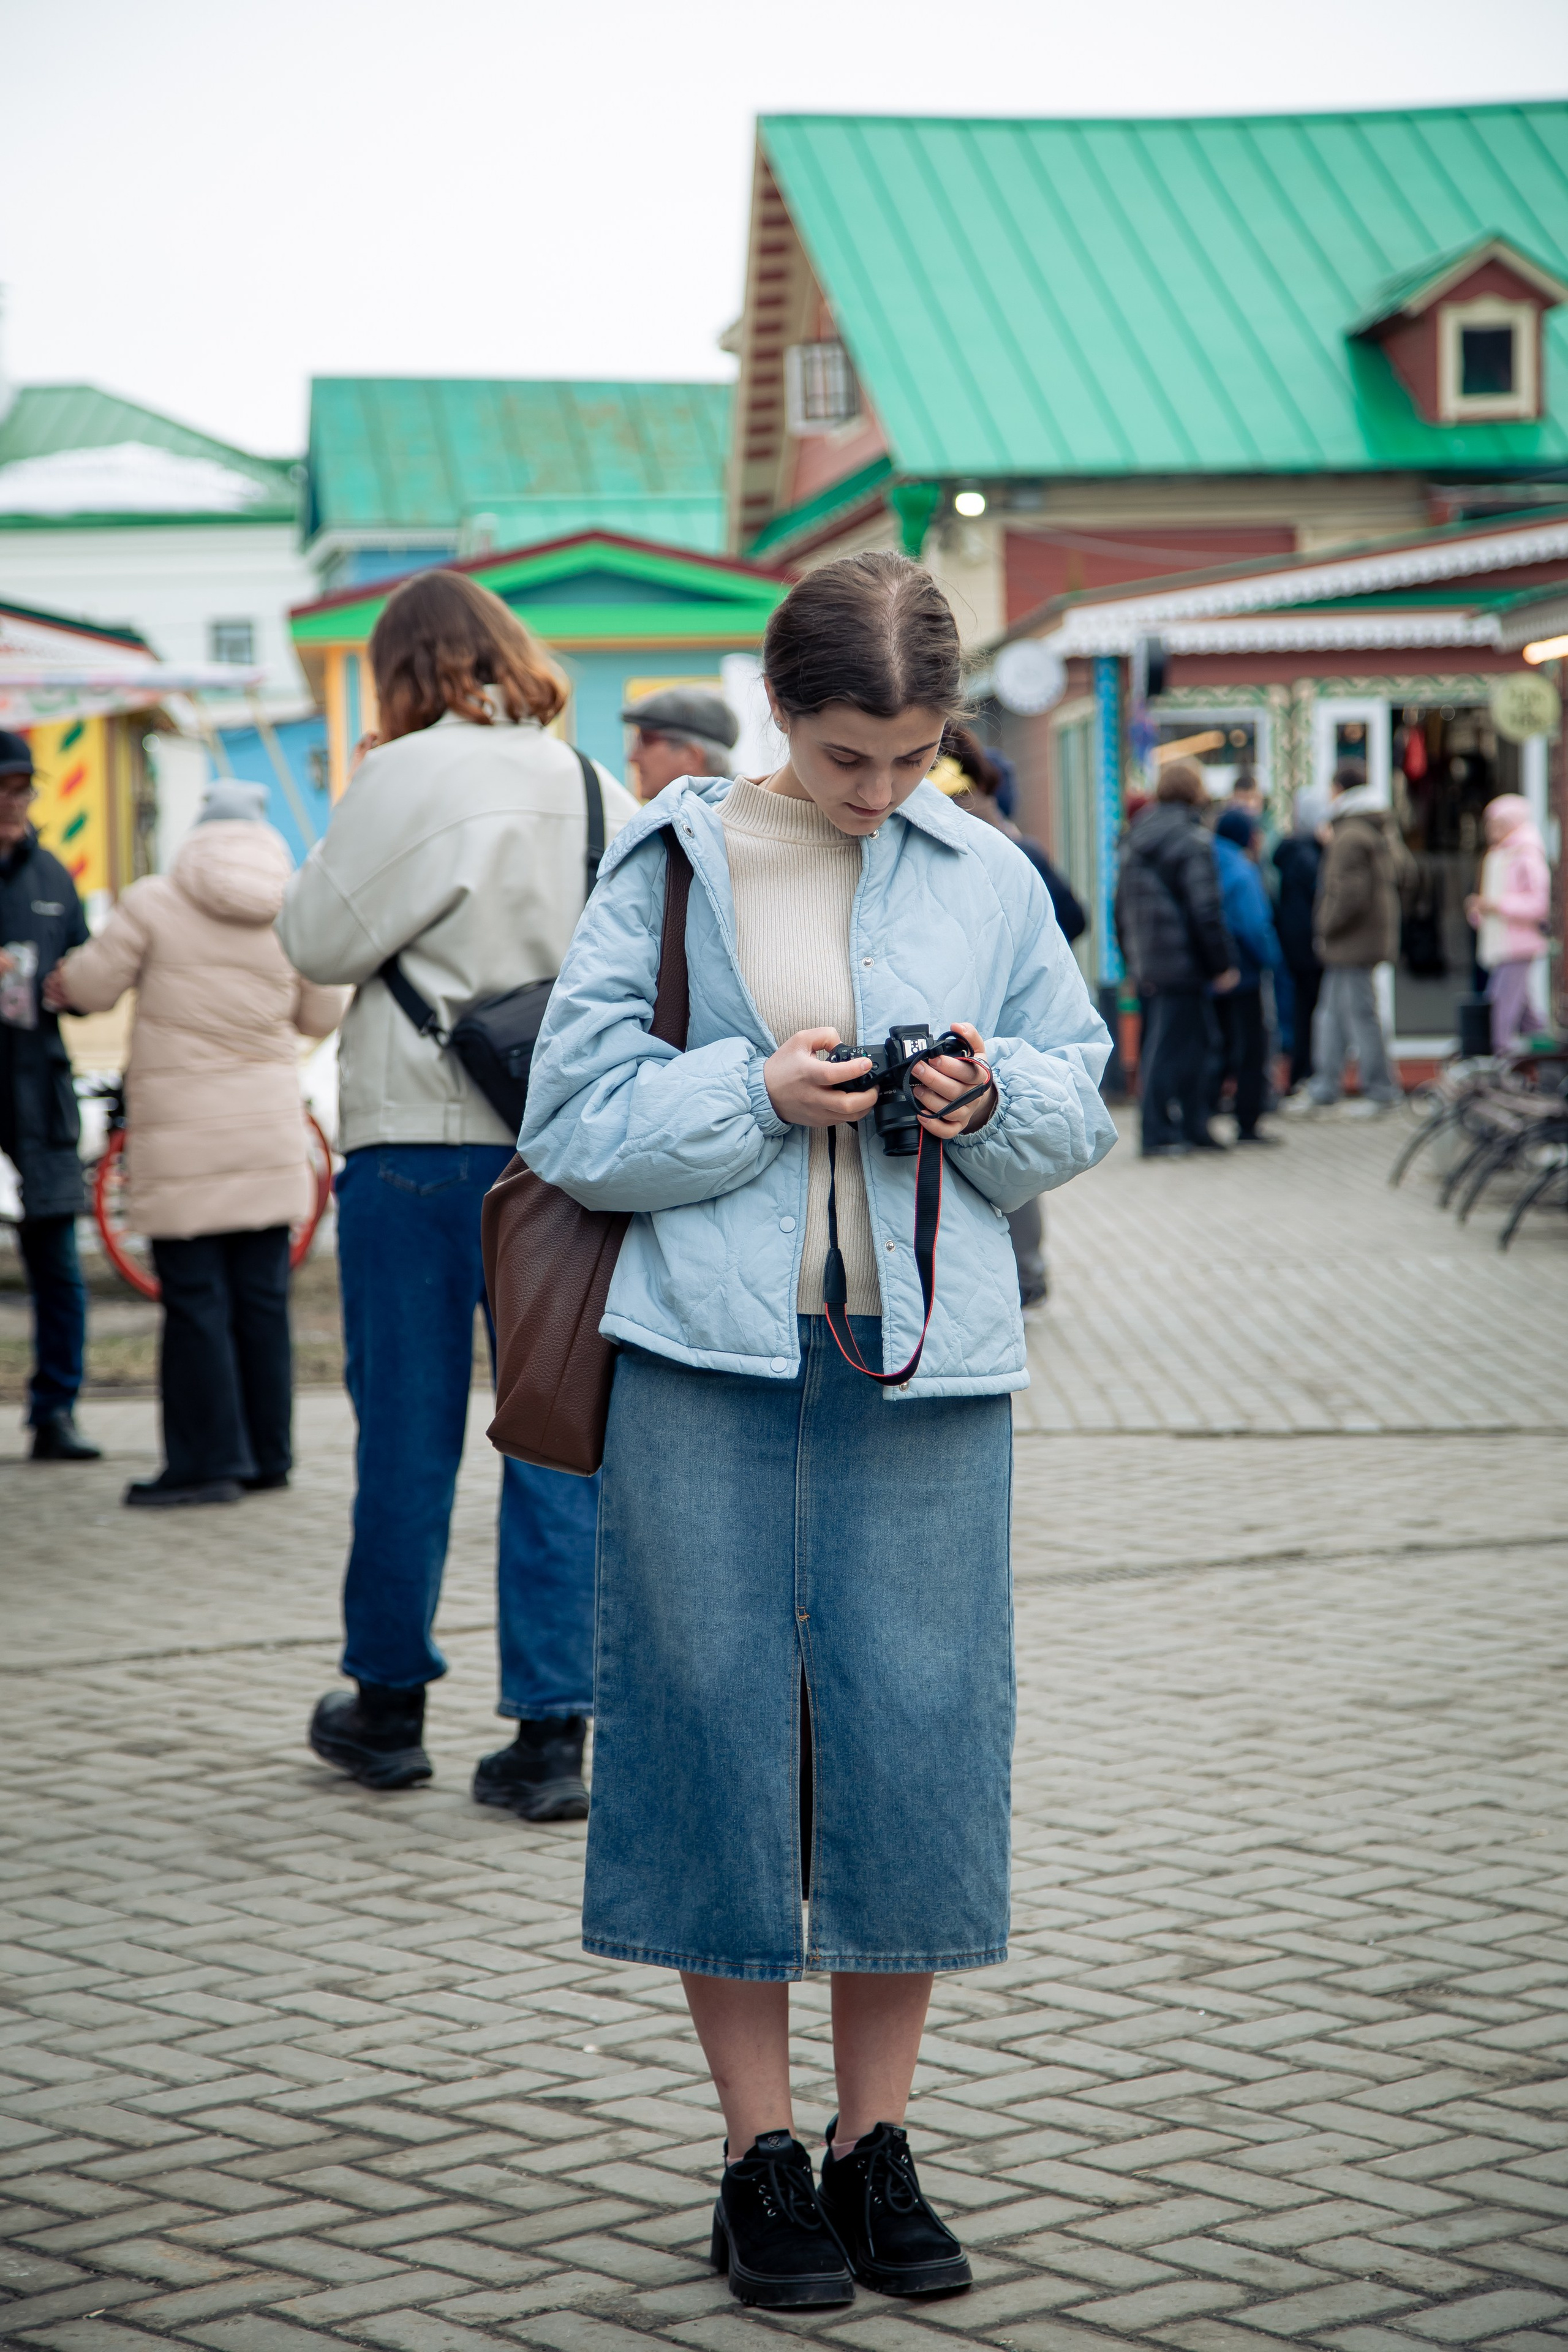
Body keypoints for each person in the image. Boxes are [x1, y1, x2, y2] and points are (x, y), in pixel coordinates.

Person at [518, 551, 1115, 2312]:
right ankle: (754, 2153)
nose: (880, 793)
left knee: (915, 1730)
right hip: (704, 1360)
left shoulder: (988, 870)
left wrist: (993, 1092)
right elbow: (572, 1116)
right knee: (707, 1729)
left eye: (914, 757)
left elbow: (1078, 1090)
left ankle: (876, 2144)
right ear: (785, 714)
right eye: (852, 757)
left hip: (922, 1366)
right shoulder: (674, 859)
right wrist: (756, 1092)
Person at [277, 572, 638, 1819]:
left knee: (408, 1432)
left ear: (398, 671)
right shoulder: (595, 783)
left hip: (413, 1150)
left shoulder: (399, 775)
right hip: (558, 1151)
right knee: (555, 1434)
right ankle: (551, 1737)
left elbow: (316, 944)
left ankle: (385, 1708)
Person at [48, 782, 347, 1504]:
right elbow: (321, 1011)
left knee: (195, 1300)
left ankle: (206, 1464)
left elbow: (89, 988)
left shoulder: (154, 900)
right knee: (262, 1299)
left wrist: (56, 981)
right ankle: (268, 1456)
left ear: (197, 834)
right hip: (268, 1132)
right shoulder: (294, 905)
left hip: (181, 1137)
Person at [930, 722, 1087, 1303]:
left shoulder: (991, 850)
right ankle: (1027, 1271)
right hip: (995, 1027)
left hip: (971, 1026)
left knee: (988, 1128)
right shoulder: (1013, 838)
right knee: (1002, 1132)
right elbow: (1077, 916)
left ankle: (1021, 1273)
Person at [0, 729, 99, 1463]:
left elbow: (86, 972)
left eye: (23, 787)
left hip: (39, 1084)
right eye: (4, 787)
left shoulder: (54, 879)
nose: (15, 800)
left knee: (59, 1261)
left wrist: (75, 986)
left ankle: (55, 1411)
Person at [1114, 764, 1238, 1158]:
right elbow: (1206, 910)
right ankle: (1162, 1133)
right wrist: (1222, 964)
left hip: (1152, 962)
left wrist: (1133, 961)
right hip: (1184, 963)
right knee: (1183, 1047)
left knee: (1175, 1044)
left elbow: (1118, 909)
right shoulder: (1192, 839)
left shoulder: (1136, 839)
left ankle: (1187, 1128)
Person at [1295, 761, 1410, 1115]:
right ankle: (1325, 1086)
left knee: (1358, 1013)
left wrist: (1324, 927)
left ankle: (1380, 1090)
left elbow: (1348, 893)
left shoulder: (1349, 834)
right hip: (1361, 940)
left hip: (1351, 941)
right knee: (1332, 1014)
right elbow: (1407, 874)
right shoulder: (1376, 828)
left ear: (1339, 791)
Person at [1211, 809, 1284, 1144]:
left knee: (1219, 1046)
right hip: (1246, 972)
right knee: (1252, 1049)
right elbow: (1255, 925)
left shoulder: (1206, 860)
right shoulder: (1242, 869)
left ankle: (1204, 1117)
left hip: (1214, 972)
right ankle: (1248, 1123)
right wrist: (1271, 960)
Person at [1465, 794, 1550, 1054]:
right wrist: (1479, 909)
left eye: (1496, 824)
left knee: (1500, 1010)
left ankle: (1497, 1068)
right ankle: (1551, 1069)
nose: (1491, 831)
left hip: (1518, 945)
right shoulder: (1498, 855)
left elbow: (1539, 903)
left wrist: (1496, 905)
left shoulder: (1526, 853)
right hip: (1500, 943)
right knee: (1529, 1019)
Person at [1272, 786, 1327, 1094]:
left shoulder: (1292, 853)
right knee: (1311, 1012)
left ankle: (1301, 1073)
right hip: (1308, 947)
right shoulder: (1309, 856)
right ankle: (1306, 1073)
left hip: (1295, 946)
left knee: (1302, 1011)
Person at [622, 686, 738, 802]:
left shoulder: (727, 817)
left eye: (646, 740)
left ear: (692, 756)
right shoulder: (731, 813)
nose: (632, 758)